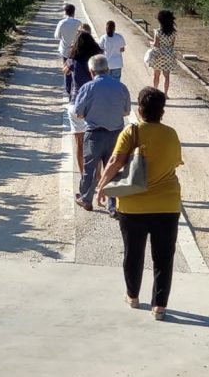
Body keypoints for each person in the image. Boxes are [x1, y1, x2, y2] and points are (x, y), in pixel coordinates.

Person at [97, 87, 183, 321]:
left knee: (133, 253)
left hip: (132, 204)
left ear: (140, 109)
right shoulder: (171, 134)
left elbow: (115, 161)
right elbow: (175, 163)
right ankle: (159, 306)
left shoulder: (130, 132)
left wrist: (102, 187)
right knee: (163, 257)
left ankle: (133, 296)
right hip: (167, 204)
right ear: (162, 111)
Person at [73, 53, 131, 213]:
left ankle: (86, 199)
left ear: (91, 70)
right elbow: (126, 112)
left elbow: (78, 112)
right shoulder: (121, 87)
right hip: (116, 134)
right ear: (107, 69)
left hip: (94, 134)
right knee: (113, 167)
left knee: (90, 168)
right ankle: (113, 205)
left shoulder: (87, 88)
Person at [64, 28, 103, 174]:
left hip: (76, 102)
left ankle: (83, 175)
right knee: (96, 142)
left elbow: (65, 71)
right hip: (94, 105)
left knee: (79, 143)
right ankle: (98, 174)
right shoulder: (96, 60)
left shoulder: (73, 59)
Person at [54, 4, 82, 101]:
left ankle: (69, 91)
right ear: (74, 12)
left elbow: (57, 36)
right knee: (76, 69)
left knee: (67, 70)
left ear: (65, 12)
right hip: (76, 50)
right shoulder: (79, 23)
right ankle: (76, 90)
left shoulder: (62, 23)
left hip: (65, 50)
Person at [148, 9, 177, 96]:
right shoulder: (173, 32)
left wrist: (151, 43)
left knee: (156, 75)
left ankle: (155, 91)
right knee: (167, 76)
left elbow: (156, 44)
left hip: (159, 55)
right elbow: (172, 44)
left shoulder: (158, 31)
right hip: (169, 54)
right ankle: (165, 94)